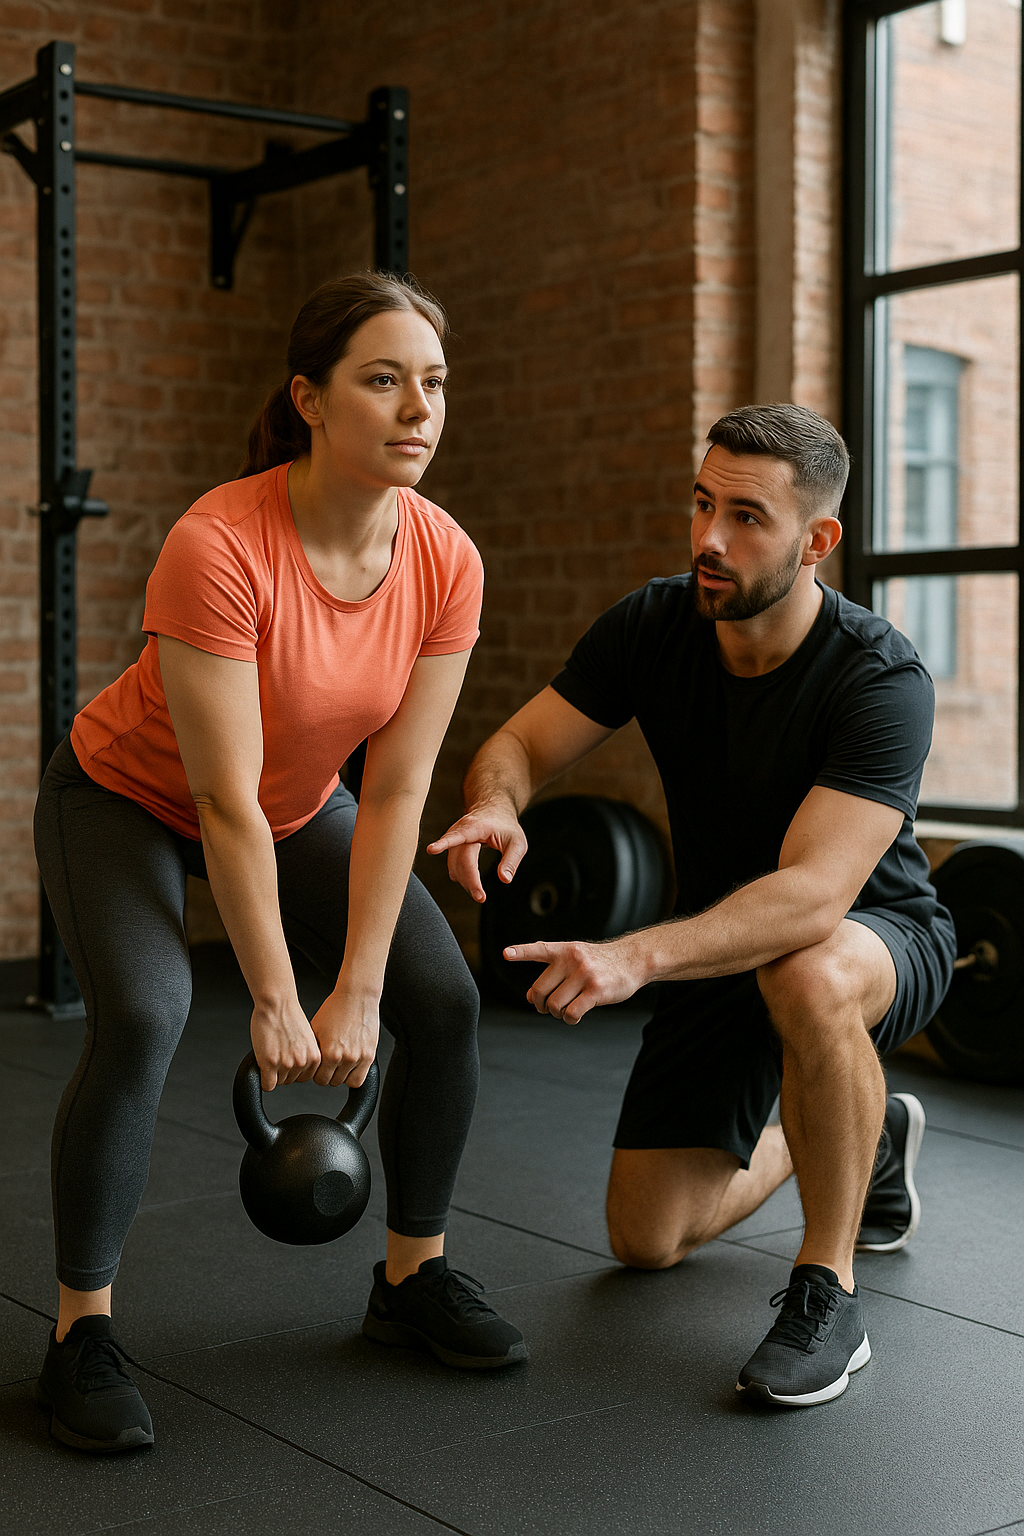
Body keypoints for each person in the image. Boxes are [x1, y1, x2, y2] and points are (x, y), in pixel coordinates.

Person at [33, 272, 526, 1456]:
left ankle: (411, 1277)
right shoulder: (220, 543)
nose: (419, 407)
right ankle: (78, 1333)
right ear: (310, 399)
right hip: (126, 800)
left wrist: (357, 985)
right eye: (383, 379)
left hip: (303, 805)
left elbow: (400, 784)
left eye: (435, 383)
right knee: (148, 1016)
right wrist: (272, 994)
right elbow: (218, 799)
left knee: (441, 1000)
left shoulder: (443, 559)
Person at [429, 403, 954, 1409]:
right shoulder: (655, 623)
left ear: (818, 540)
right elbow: (519, 745)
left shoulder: (879, 676)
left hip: (876, 940)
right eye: (702, 503)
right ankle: (866, 1129)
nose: (708, 538)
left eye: (747, 517)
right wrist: (496, 803)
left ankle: (826, 1290)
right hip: (721, 945)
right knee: (646, 1237)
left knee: (807, 968)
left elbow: (811, 896)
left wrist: (636, 957)